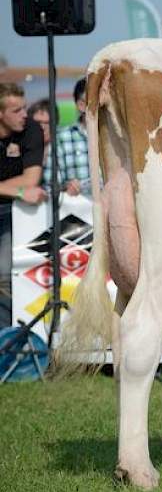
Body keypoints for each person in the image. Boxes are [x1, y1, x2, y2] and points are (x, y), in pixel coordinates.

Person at [0, 83, 49, 327]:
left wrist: (15, 191)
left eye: (25, 108)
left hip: (13, 211)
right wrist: (16, 189)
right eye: (17, 110)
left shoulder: (31, 129)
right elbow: (24, 188)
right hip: (14, 199)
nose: (24, 115)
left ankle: (7, 343)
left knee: (4, 274)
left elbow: (31, 181)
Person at [43, 79, 90, 197]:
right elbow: (49, 185)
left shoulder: (121, 138)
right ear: (81, 105)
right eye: (99, 99)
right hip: (78, 212)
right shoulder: (61, 139)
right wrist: (65, 188)